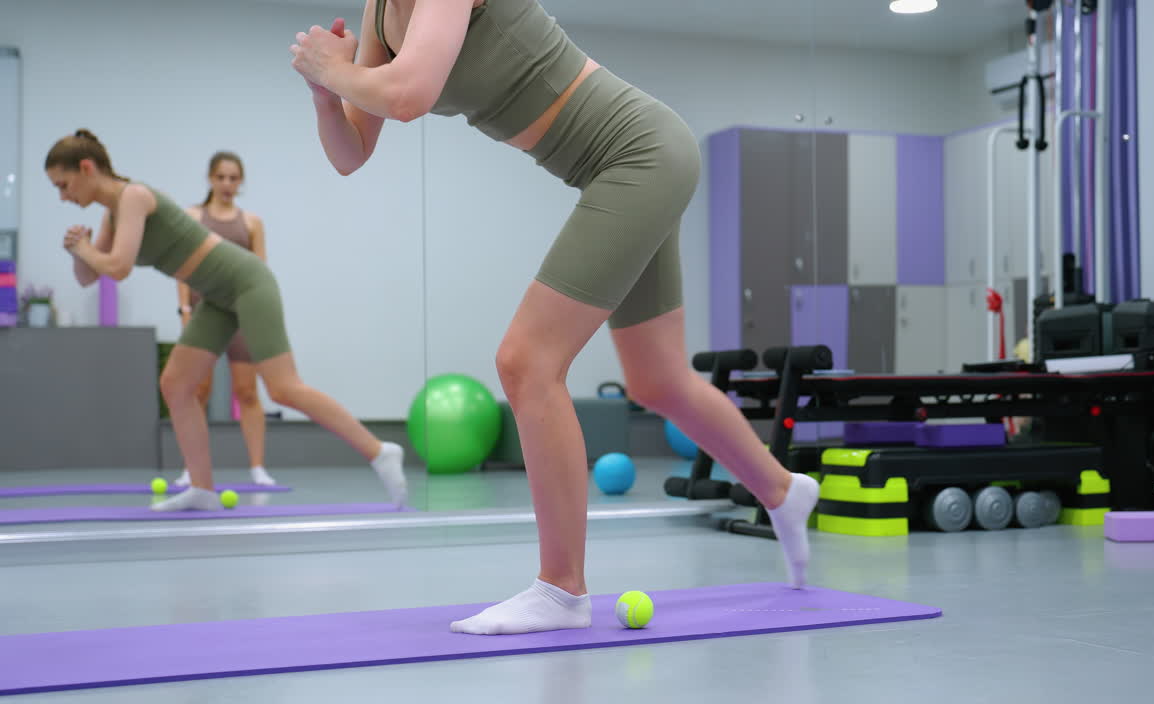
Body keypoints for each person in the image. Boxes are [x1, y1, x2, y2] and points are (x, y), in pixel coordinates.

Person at [289, 0, 819, 635]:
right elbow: (351, 152)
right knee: (657, 382)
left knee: (527, 361)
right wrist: (326, 91)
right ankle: (784, 490)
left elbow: (407, 94)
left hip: (640, 154)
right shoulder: (380, 14)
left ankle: (562, 590)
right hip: (619, 171)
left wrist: (334, 67)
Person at [46, 130, 407, 512]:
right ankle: (202, 488)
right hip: (216, 296)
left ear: (87, 168)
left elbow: (117, 268)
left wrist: (86, 249)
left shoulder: (133, 197)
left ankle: (380, 450)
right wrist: (77, 251)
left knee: (283, 388)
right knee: (176, 385)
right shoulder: (112, 214)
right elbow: (88, 277)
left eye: (63, 184)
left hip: (246, 282)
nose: (63, 196)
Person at [171, 151, 277, 489]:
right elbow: (183, 270)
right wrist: (185, 311)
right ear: (210, 179)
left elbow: (260, 274)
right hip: (203, 314)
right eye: (221, 177)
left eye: (234, 178)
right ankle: (192, 469)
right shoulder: (192, 217)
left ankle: (258, 469)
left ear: (240, 182)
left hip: (241, 318)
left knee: (247, 392)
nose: (227, 184)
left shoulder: (252, 223)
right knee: (196, 391)